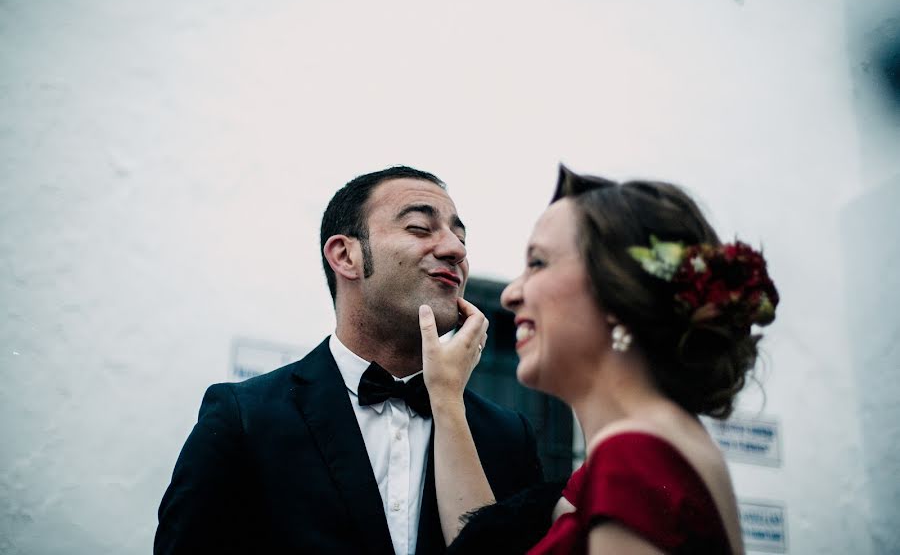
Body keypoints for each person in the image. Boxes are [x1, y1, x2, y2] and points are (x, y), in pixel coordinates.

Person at [155, 166, 543, 555]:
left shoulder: (508, 438)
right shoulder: (242, 418)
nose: (455, 250)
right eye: (419, 228)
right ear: (345, 256)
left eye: (460, 238)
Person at [420, 164, 779, 554]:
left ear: (616, 291)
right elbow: (487, 545)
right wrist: (446, 394)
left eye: (538, 263)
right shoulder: (649, 448)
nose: (511, 295)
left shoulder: (633, 457)